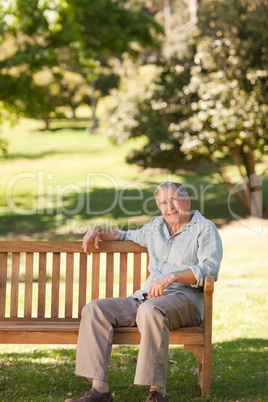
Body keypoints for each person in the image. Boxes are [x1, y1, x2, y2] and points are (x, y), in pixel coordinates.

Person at [66, 181, 222, 402]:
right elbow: (125, 235)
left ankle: (157, 392)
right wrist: (100, 230)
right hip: (146, 298)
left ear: (187, 201)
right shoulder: (156, 226)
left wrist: (174, 276)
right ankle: (99, 390)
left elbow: (210, 268)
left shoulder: (205, 228)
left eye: (174, 200)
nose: (170, 207)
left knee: (150, 310)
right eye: (163, 203)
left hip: (184, 300)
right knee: (95, 309)